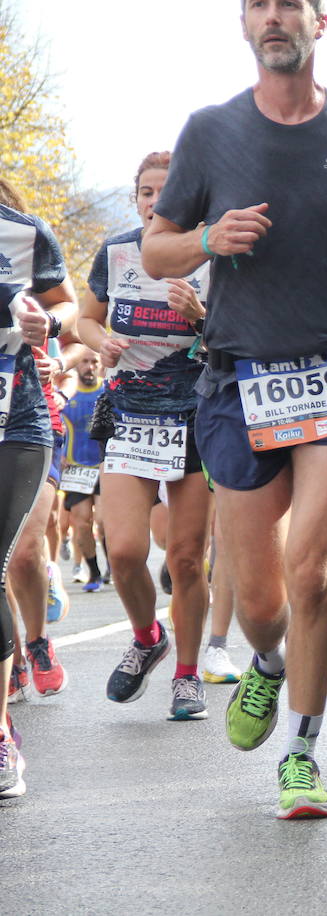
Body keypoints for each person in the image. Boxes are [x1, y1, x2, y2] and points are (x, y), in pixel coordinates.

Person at [142, 0, 327, 818]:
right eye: (258, 5)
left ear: (319, 22)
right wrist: (208, 239)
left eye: (289, 4)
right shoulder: (210, 130)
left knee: (314, 574)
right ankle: (267, 665)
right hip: (237, 380)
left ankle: (302, 754)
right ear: (243, 25)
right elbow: (158, 244)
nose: (274, 16)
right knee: (262, 605)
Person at [80, 151, 217, 722]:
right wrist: (98, 341)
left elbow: (244, 335)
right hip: (130, 415)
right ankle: (146, 636)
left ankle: (187, 675)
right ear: (136, 199)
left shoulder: (213, 253)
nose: (156, 201)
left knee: (186, 560)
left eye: (167, 191)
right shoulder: (116, 251)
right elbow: (85, 318)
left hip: (194, 416)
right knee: (127, 550)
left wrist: (202, 316)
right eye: (146, 193)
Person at [0, 180, 80, 799]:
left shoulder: (25, 234)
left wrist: (47, 322)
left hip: (17, 420)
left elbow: (74, 311)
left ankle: (1, 735)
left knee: (9, 559)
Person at [59, 348, 105, 597]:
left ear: (99, 364)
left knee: (104, 522)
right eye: (84, 361)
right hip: (76, 467)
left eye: (93, 361)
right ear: (77, 365)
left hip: (103, 465)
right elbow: (56, 425)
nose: (88, 366)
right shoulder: (68, 392)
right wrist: (61, 454)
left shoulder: (106, 391)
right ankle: (94, 571)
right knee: (81, 521)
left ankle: (113, 565)